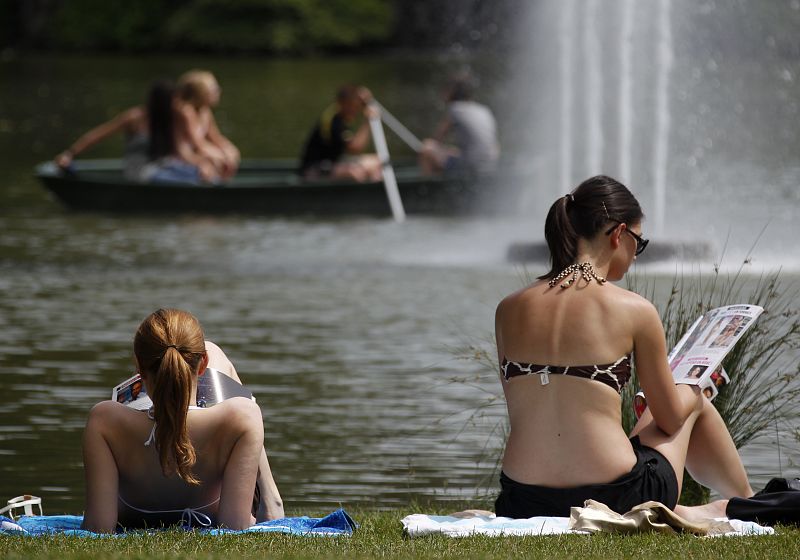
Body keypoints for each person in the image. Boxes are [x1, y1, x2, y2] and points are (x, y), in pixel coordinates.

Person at [493, 175, 753, 522]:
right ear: (619, 234)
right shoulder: (634, 309)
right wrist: (699, 385)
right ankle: (749, 504)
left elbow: (522, 410)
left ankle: (735, 505)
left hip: (522, 499)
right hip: (617, 494)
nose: (635, 256)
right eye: (638, 243)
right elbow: (670, 417)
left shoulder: (508, 308)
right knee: (692, 403)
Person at [81, 308, 284, 532]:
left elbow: (98, 526)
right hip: (208, 511)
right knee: (214, 350)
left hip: (132, 515)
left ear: (139, 368)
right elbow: (234, 526)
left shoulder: (104, 420)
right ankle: (271, 499)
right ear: (202, 364)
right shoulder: (243, 415)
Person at [54, 90, 151, 181]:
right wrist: (69, 153)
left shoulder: (165, 120)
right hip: (138, 172)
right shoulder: (135, 118)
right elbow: (97, 135)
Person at [419, 74, 499, 176]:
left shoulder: (454, 109)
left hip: (471, 165)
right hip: (490, 162)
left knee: (427, 148)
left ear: (451, 92)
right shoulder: (483, 109)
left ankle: (430, 188)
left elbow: (436, 140)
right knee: (452, 151)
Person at [298, 84, 382, 182]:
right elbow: (355, 148)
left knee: (377, 161)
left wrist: (367, 101)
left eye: (357, 105)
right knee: (356, 173)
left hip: (332, 164)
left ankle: (375, 192)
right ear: (342, 103)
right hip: (313, 170)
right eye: (352, 105)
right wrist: (367, 121)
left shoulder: (340, 116)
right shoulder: (334, 122)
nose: (355, 110)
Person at [175, 70, 241, 181]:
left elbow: (215, 137)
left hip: (193, 152)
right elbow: (197, 144)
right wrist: (220, 155)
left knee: (229, 155)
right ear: (200, 92)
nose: (218, 91)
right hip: (181, 155)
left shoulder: (205, 111)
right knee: (213, 162)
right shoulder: (186, 111)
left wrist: (229, 149)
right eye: (214, 89)